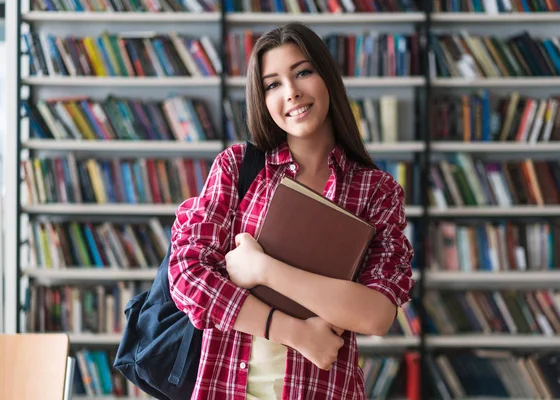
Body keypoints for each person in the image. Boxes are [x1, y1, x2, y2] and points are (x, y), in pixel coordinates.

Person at [168, 22, 415, 400]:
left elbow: (376, 314)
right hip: (226, 388)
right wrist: (295, 332)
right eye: (272, 84)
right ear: (262, 99)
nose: (292, 92)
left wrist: (263, 269)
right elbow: (188, 277)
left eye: (302, 72)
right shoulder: (239, 168)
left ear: (327, 77)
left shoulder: (375, 191)